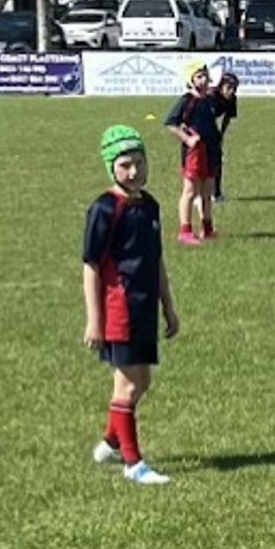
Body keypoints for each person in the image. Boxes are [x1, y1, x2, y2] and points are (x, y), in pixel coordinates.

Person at [82, 124, 181, 487]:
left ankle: (111, 441)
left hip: (144, 309)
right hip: (118, 311)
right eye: (125, 165)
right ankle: (133, 463)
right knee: (126, 386)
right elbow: (91, 266)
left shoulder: (150, 205)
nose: (134, 171)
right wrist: (94, 320)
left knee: (142, 383)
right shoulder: (104, 209)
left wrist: (167, 305)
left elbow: (156, 260)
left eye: (140, 162)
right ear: (111, 167)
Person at [163, 63, 225, 243]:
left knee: (207, 191)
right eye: (199, 76)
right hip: (194, 153)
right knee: (190, 191)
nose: (203, 80)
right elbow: (170, 122)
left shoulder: (211, 99)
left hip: (211, 150)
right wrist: (187, 139)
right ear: (191, 80)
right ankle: (185, 230)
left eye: (205, 75)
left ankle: (207, 228)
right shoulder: (186, 100)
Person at [207, 68, 242, 220]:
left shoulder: (232, 99)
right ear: (221, 86)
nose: (231, 91)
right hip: (201, 127)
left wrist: (221, 135)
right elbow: (205, 117)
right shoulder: (211, 96)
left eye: (234, 89)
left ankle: (216, 192)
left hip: (213, 129)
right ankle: (199, 193)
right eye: (229, 88)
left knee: (217, 161)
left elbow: (227, 118)